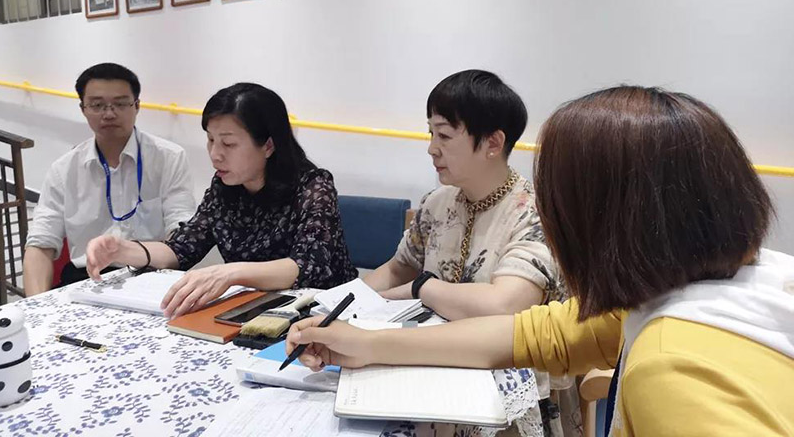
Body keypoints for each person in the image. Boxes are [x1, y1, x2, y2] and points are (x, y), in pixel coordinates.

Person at [287, 86, 794, 436]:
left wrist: (419, 291)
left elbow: (509, 310)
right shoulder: (719, 286)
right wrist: (365, 344)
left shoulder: (675, 370)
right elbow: (531, 334)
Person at [364, 69, 569, 435]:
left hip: (503, 391)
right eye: (431, 133)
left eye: (444, 135)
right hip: (429, 364)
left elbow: (505, 306)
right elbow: (397, 268)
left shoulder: (535, 213)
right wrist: (341, 302)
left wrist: (422, 288)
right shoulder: (437, 203)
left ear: (492, 143)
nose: (431, 148)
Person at [86, 83, 358, 319]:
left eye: (228, 144)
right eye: (210, 140)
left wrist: (230, 273)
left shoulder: (313, 187)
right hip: (251, 311)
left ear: (268, 145)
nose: (215, 154)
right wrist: (123, 249)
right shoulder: (224, 187)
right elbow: (181, 249)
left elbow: (306, 266)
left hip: (322, 315)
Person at [24, 63, 196, 296]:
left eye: (120, 104)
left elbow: (181, 232)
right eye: (97, 105)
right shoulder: (64, 169)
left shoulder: (168, 158)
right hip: (86, 278)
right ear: (83, 109)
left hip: (152, 275)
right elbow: (40, 242)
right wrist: (35, 306)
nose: (109, 113)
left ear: (137, 106)